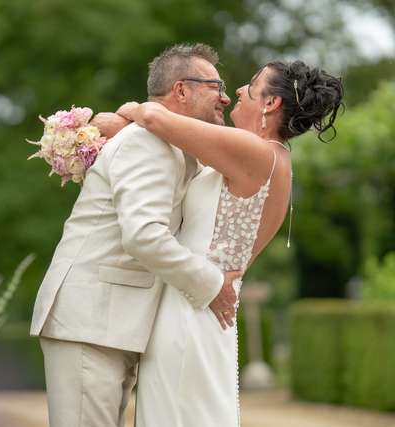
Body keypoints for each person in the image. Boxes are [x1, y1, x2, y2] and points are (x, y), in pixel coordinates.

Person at [95, 59, 343, 426]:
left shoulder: (252, 151)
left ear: (270, 104)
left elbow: (156, 117)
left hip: (188, 310)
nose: (237, 92)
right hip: (209, 310)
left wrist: (126, 113)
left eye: (250, 86)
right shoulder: (276, 160)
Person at [29, 43, 242, 427]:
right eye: (216, 85)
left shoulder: (169, 144)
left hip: (111, 324)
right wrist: (211, 284)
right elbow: (144, 235)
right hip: (91, 321)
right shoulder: (149, 144)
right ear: (181, 90)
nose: (226, 96)